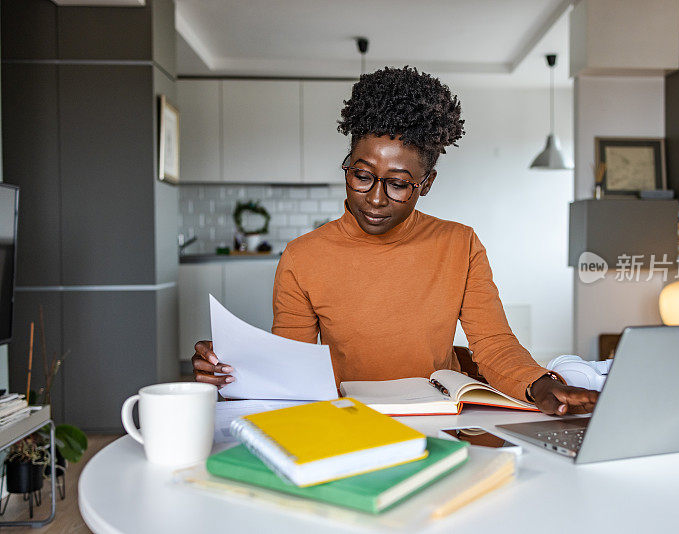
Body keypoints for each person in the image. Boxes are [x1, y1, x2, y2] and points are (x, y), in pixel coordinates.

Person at [193, 66, 598, 416]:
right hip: (345, 419)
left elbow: (492, 343)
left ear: (426, 184)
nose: (374, 197)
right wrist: (230, 368)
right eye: (362, 174)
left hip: (440, 417)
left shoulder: (460, 244)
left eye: (399, 184)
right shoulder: (303, 256)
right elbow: (290, 363)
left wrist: (539, 384)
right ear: (348, 165)